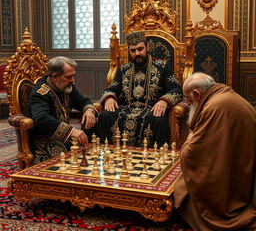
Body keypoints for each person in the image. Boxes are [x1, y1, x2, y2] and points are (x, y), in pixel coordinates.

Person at [173, 72, 256, 231]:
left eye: (188, 99)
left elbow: (196, 155)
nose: (188, 104)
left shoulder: (214, 107)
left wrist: (188, 143)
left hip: (235, 182)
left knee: (180, 192)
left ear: (197, 94)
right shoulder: (223, 94)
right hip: (242, 162)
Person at [97, 31, 182, 147]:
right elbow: (112, 87)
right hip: (127, 109)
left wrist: (164, 101)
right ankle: (107, 152)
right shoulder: (124, 69)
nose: (137, 53)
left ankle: (158, 158)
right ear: (129, 51)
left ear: (147, 47)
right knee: (105, 116)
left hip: (152, 110)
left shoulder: (162, 66)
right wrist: (109, 98)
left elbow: (176, 89)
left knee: (160, 120)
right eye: (133, 50)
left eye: (140, 49)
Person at [28, 56, 98, 164]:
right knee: (73, 157)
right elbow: (42, 119)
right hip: (42, 140)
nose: (73, 80)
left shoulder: (67, 86)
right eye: (69, 77)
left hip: (64, 137)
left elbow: (83, 101)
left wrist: (89, 110)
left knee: (89, 151)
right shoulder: (40, 93)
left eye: (73, 76)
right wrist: (71, 131)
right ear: (55, 77)